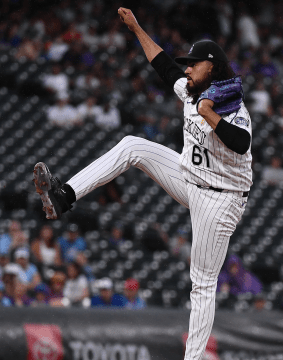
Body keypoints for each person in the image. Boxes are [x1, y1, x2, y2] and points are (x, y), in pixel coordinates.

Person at [33, 9, 251, 359]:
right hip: (190, 179)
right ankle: (64, 196)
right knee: (133, 145)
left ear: (212, 66)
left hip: (221, 200)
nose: (189, 68)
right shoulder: (191, 90)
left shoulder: (232, 105)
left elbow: (241, 143)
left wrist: (209, 111)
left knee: (203, 283)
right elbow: (163, 65)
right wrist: (136, 29)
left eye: (195, 63)